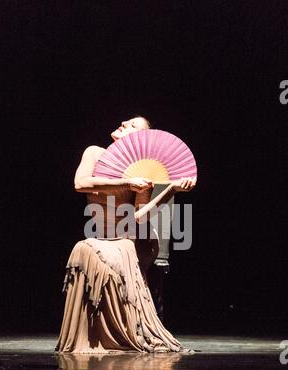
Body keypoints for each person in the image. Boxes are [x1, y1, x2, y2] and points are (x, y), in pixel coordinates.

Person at [55, 116, 196, 354]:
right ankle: (93, 333)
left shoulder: (141, 173)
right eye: (127, 121)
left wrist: (169, 189)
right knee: (85, 248)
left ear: (140, 141)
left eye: (132, 126)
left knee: (86, 248)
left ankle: (120, 329)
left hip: (133, 240)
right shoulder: (94, 152)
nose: (124, 123)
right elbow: (80, 184)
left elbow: (140, 217)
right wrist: (126, 182)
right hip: (103, 237)